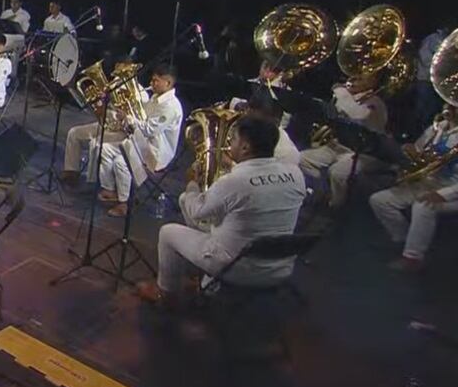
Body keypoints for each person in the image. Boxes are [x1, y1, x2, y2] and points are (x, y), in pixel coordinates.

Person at [136, 116, 306, 308]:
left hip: (238, 267)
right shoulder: (295, 173)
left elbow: (198, 212)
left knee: (168, 232)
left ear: (245, 147)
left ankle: (166, 294)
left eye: (232, 139)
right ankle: (199, 274)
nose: (228, 144)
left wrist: (192, 183)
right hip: (280, 266)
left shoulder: (235, 181)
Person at [369, 103, 458, 271]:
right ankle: (403, 239)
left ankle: (413, 258)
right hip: (432, 180)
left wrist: (443, 195)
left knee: (423, 206)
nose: (449, 108)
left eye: (455, 106)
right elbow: (418, 150)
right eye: (449, 104)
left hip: (452, 188)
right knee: (379, 200)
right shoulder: (438, 126)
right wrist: (410, 152)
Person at [97, 64, 184, 217]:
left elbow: (150, 129)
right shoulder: (156, 98)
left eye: (156, 81)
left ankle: (124, 203)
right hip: (140, 144)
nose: (152, 83)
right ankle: (110, 189)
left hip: (155, 154)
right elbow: (141, 116)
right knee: (103, 148)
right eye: (152, 79)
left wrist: (128, 118)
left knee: (120, 162)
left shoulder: (171, 107)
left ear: (168, 83)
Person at [299, 73, 391, 208]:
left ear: (373, 81)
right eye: (354, 77)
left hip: (366, 153)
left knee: (337, 172)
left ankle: (336, 208)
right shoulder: (347, 98)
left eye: (360, 78)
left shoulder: (375, 102)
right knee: (301, 158)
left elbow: (357, 114)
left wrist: (340, 90)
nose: (353, 80)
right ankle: (324, 192)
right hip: (339, 146)